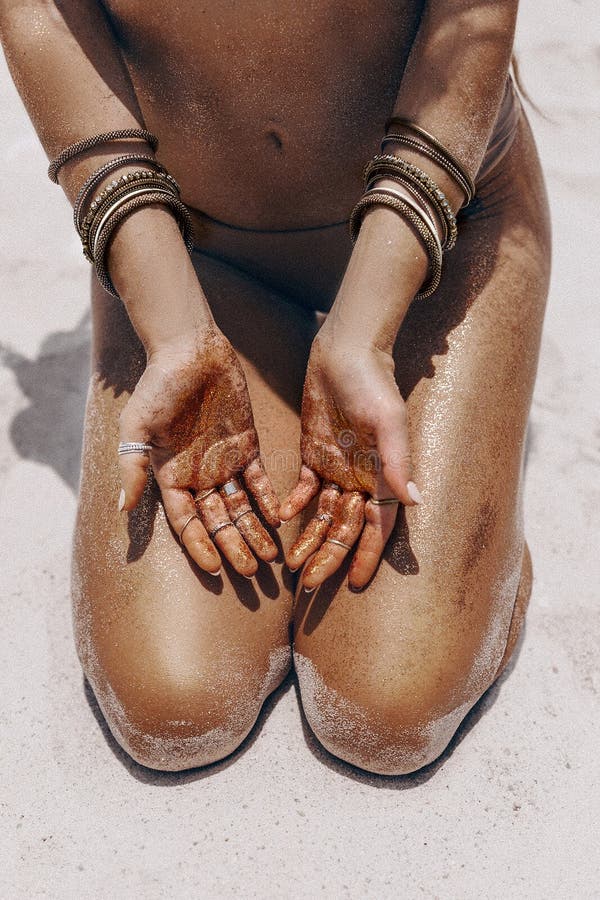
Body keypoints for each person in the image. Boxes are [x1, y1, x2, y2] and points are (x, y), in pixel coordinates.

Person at [0, 0, 550, 775]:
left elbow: (473, 23)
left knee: (386, 714)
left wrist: (362, 331)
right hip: (196, 251)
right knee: (173, 703)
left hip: (441, 228)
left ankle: (480, 523)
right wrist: (171, 325)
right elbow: (39, 14)